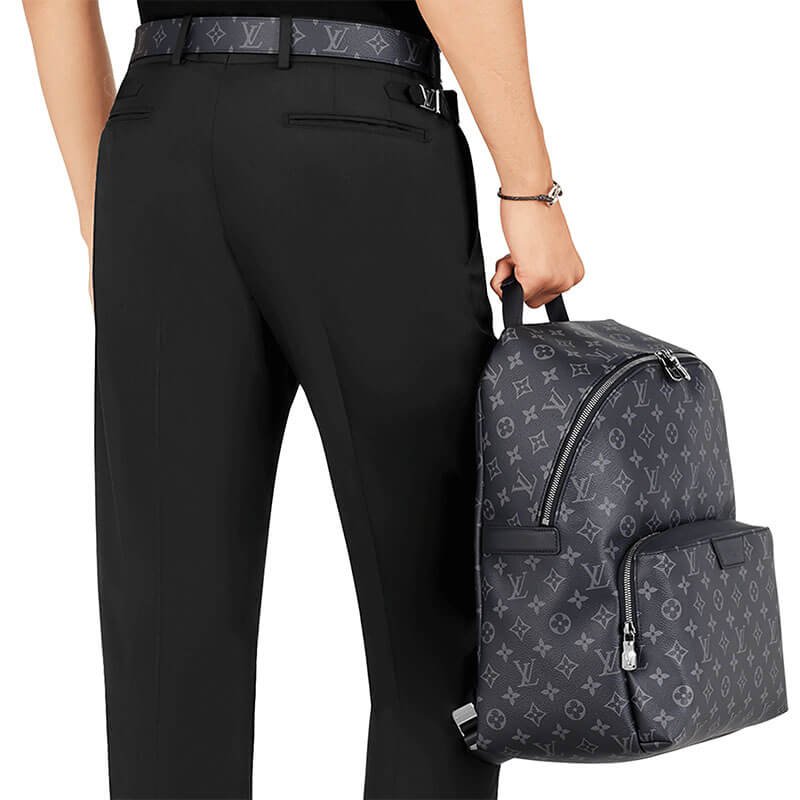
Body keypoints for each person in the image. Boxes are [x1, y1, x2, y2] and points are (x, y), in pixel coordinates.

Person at [23, 1, 583, 798]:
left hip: (158, 145)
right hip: (358, 133)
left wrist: (101, 211)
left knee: (166, 645)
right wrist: (531, 189)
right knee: (433, 633)